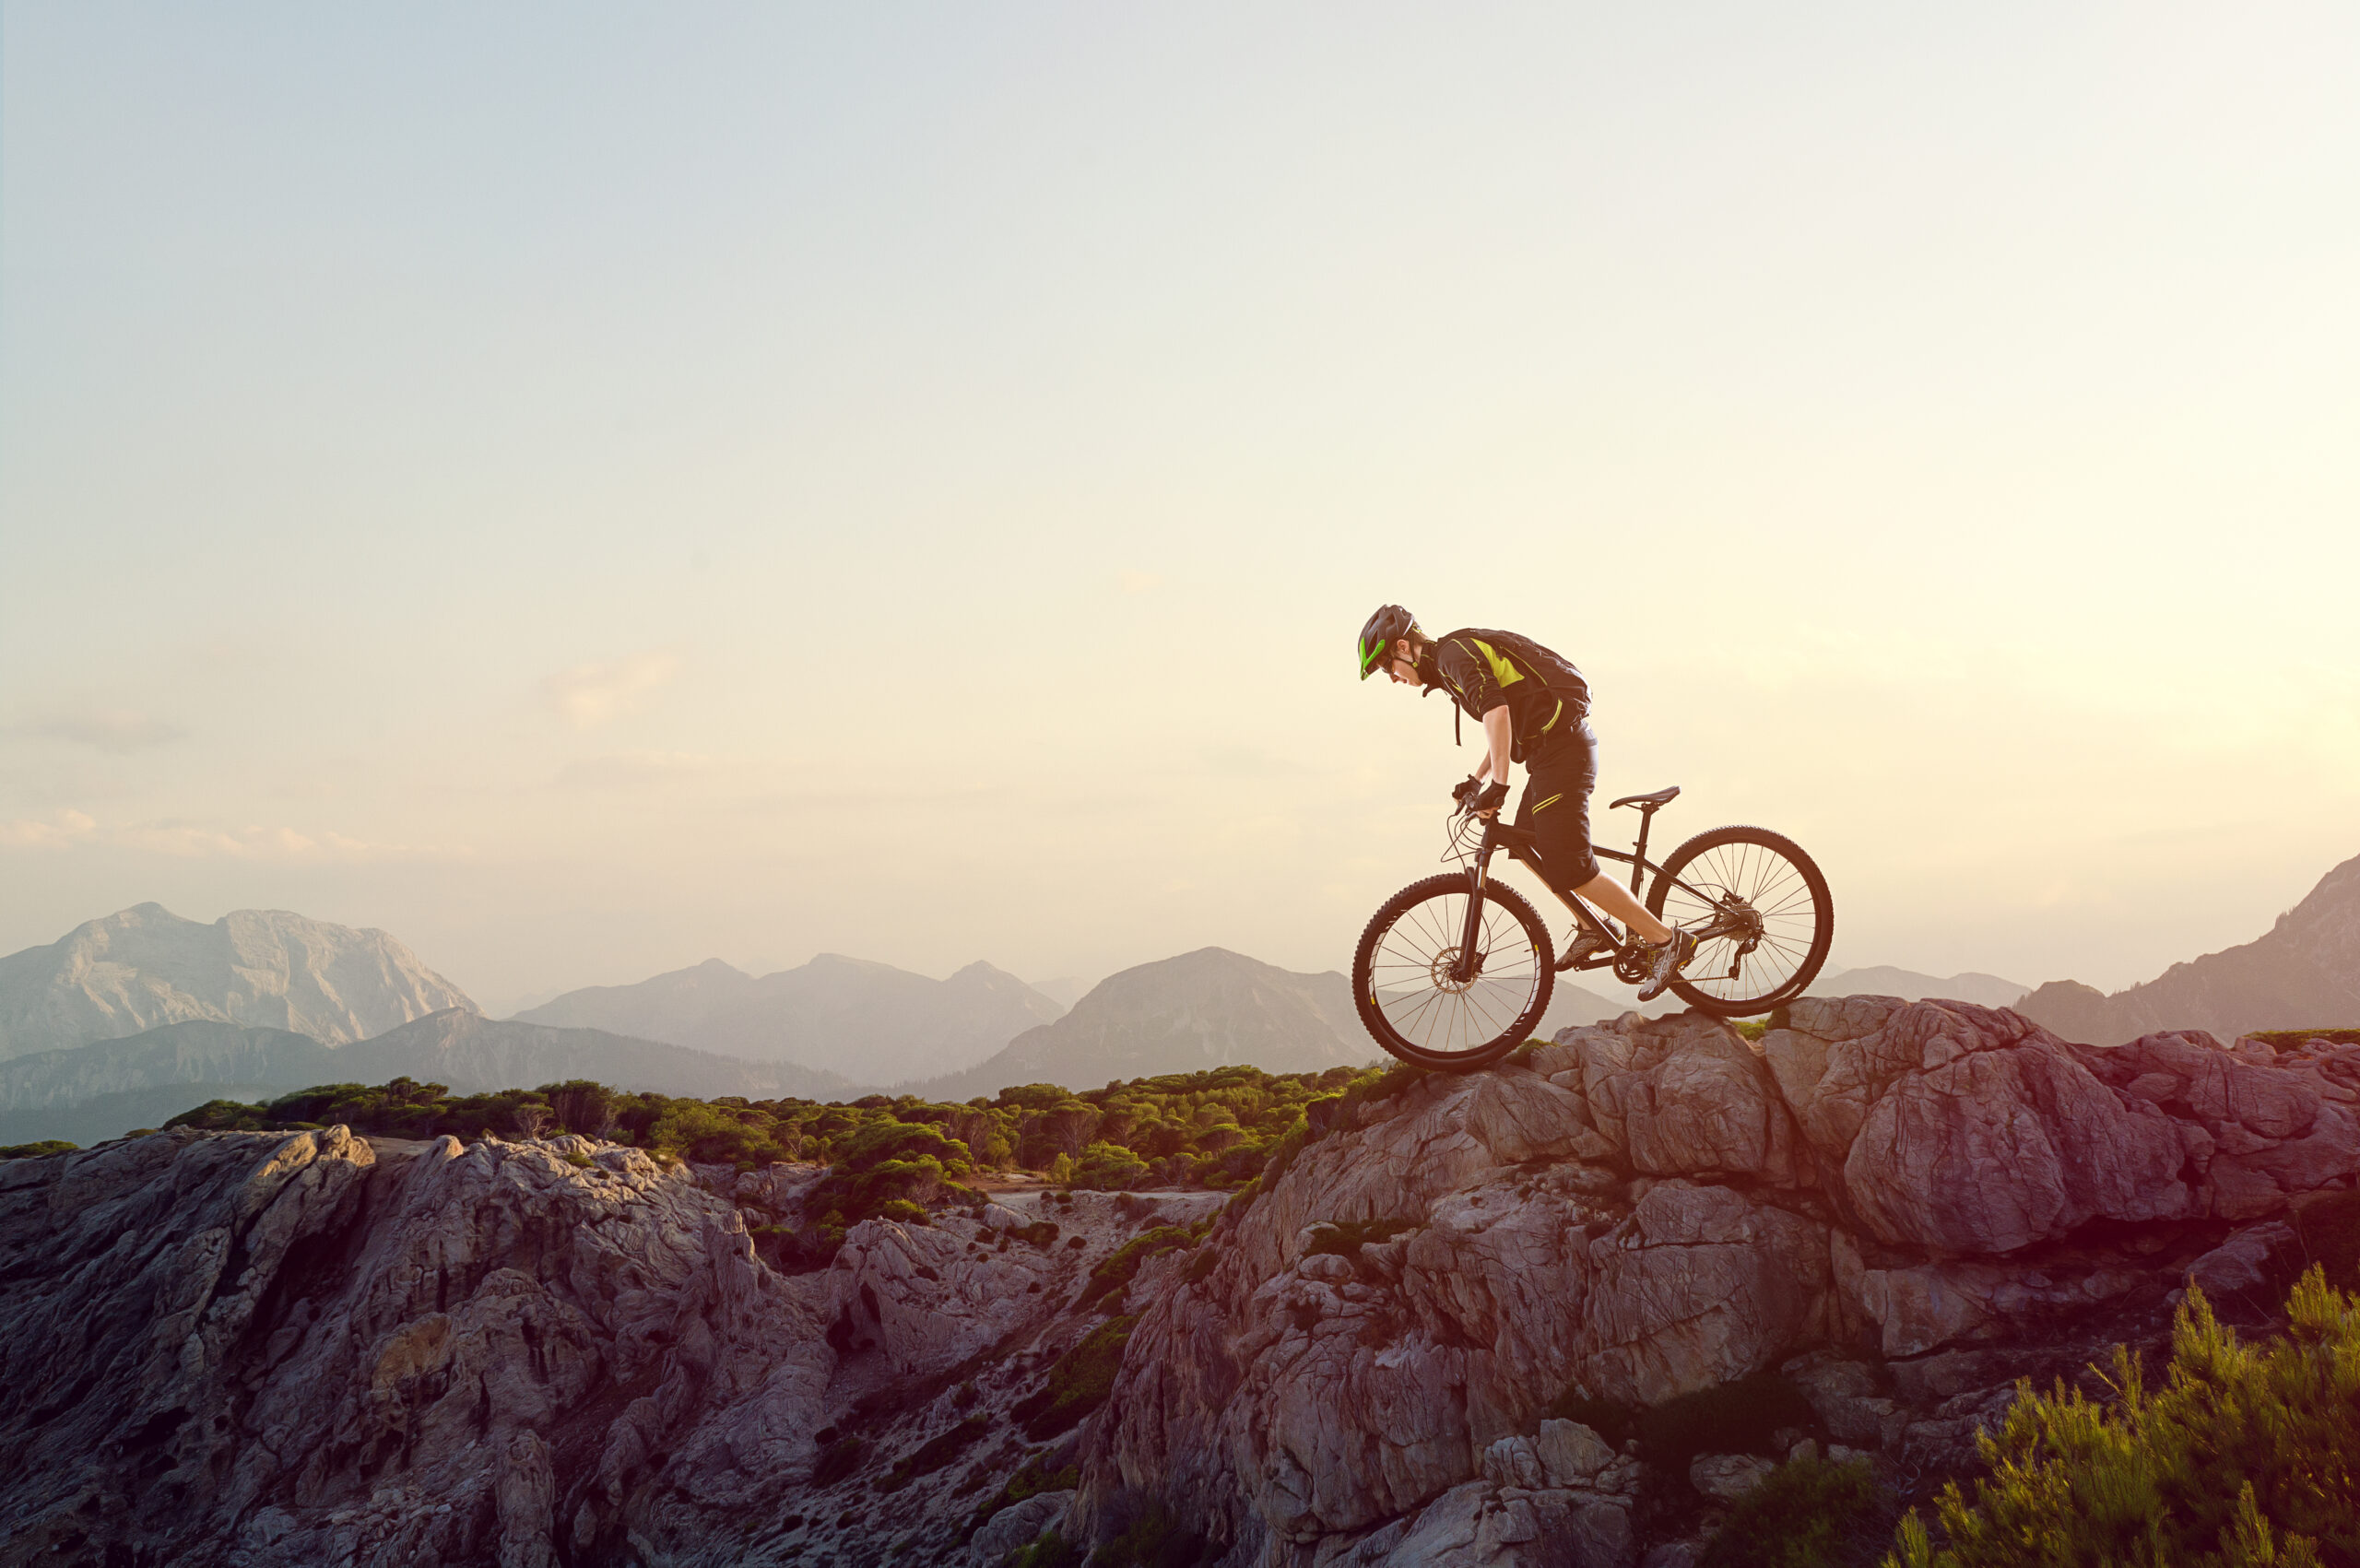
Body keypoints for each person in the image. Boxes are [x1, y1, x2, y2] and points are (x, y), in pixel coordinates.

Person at [1356, 604, 1697, 1002]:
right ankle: (1592, 927)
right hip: (1546, 754)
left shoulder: (1451, 655)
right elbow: (1501, 722)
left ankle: (1668, 940)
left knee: (1572, 866)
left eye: (1386, 667)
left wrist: (1499, 785)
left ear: (1402, 647)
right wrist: (1478, 778)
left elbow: (1497, 711)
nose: (1393, 679)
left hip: (1565, 750)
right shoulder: (1449, 666)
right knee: (1527, 843)